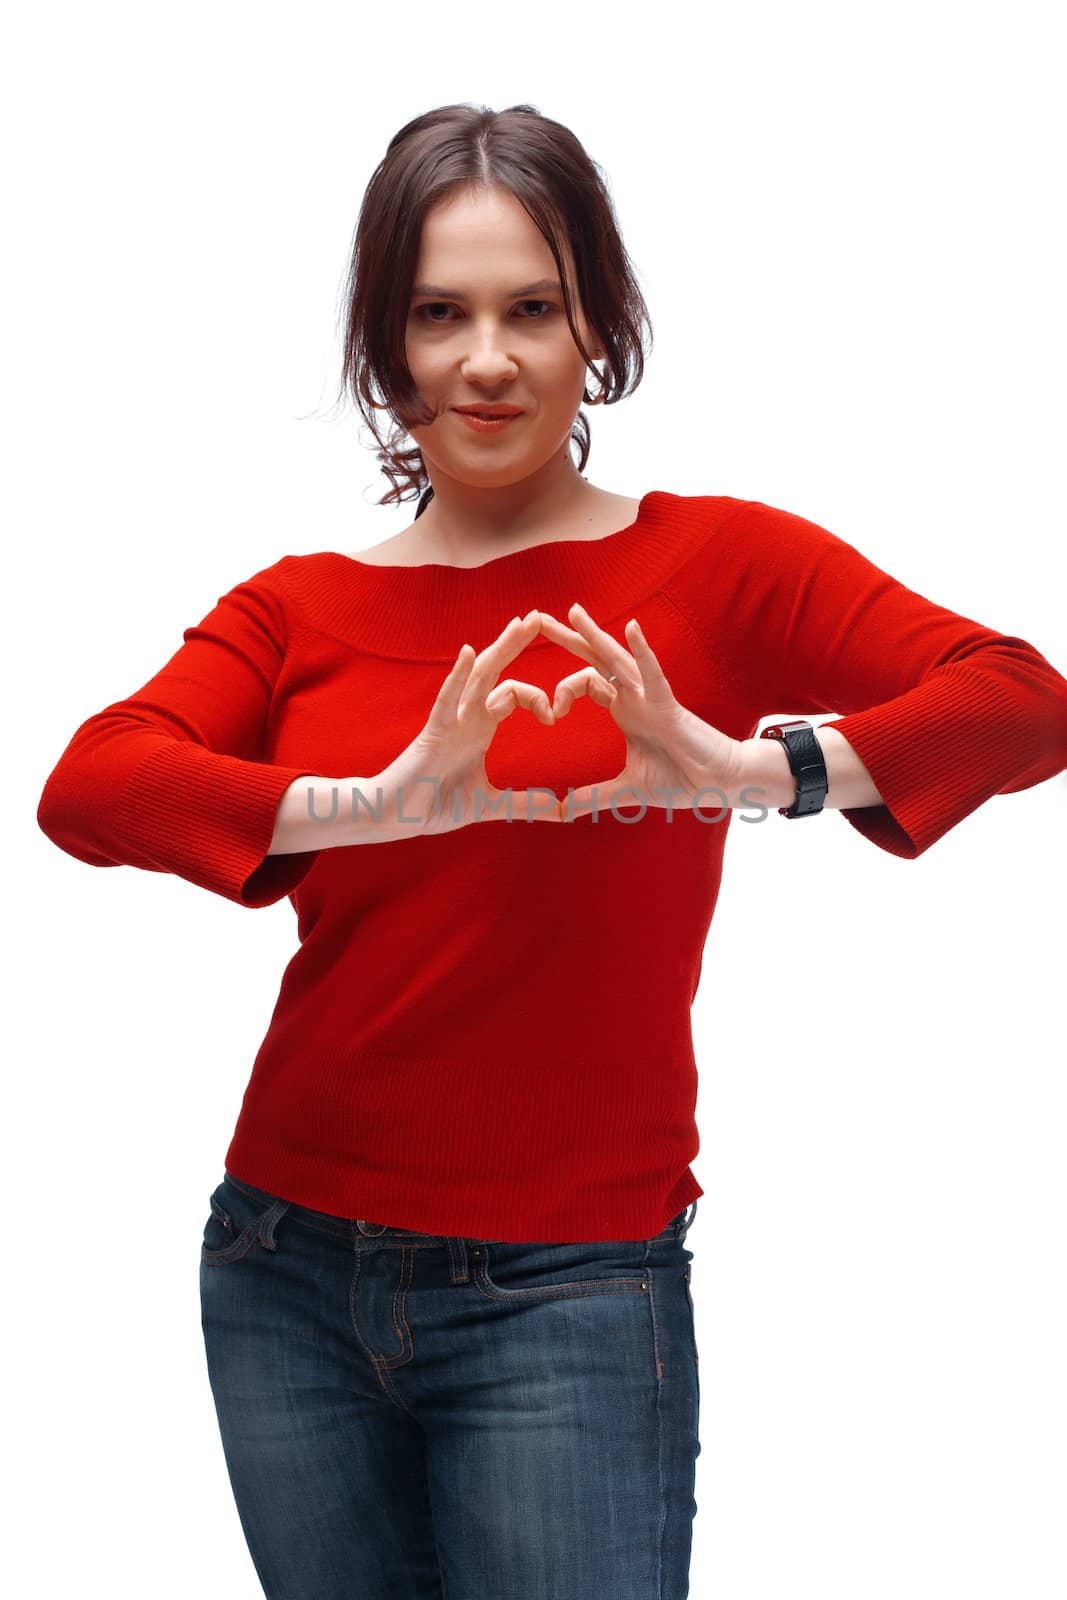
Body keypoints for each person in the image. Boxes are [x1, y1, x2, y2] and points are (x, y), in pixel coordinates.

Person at [35, 101, 1067, 1600]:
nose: (486, 360)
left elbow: (1021, 703)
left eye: (534, 308)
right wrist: (377, 804)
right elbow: (92, 785)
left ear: (601, 323)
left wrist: (748, 768)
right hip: (284, 1272)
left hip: (573, 1295)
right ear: (385, 345)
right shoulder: (295, 606)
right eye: (438, 314)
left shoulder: (718, 563)